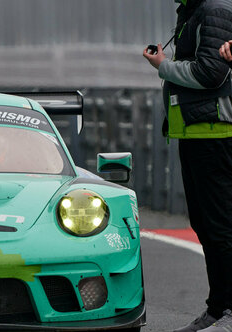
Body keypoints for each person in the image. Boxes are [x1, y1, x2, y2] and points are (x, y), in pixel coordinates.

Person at [143, 0, 232, 331]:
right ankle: (217, 309)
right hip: (196, 133)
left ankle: (229, 311)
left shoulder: (214, 11)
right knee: (206, 224)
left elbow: (212, 73)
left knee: (221, 225)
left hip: (216, 132)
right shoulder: (192, 13)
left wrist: (164, 66)